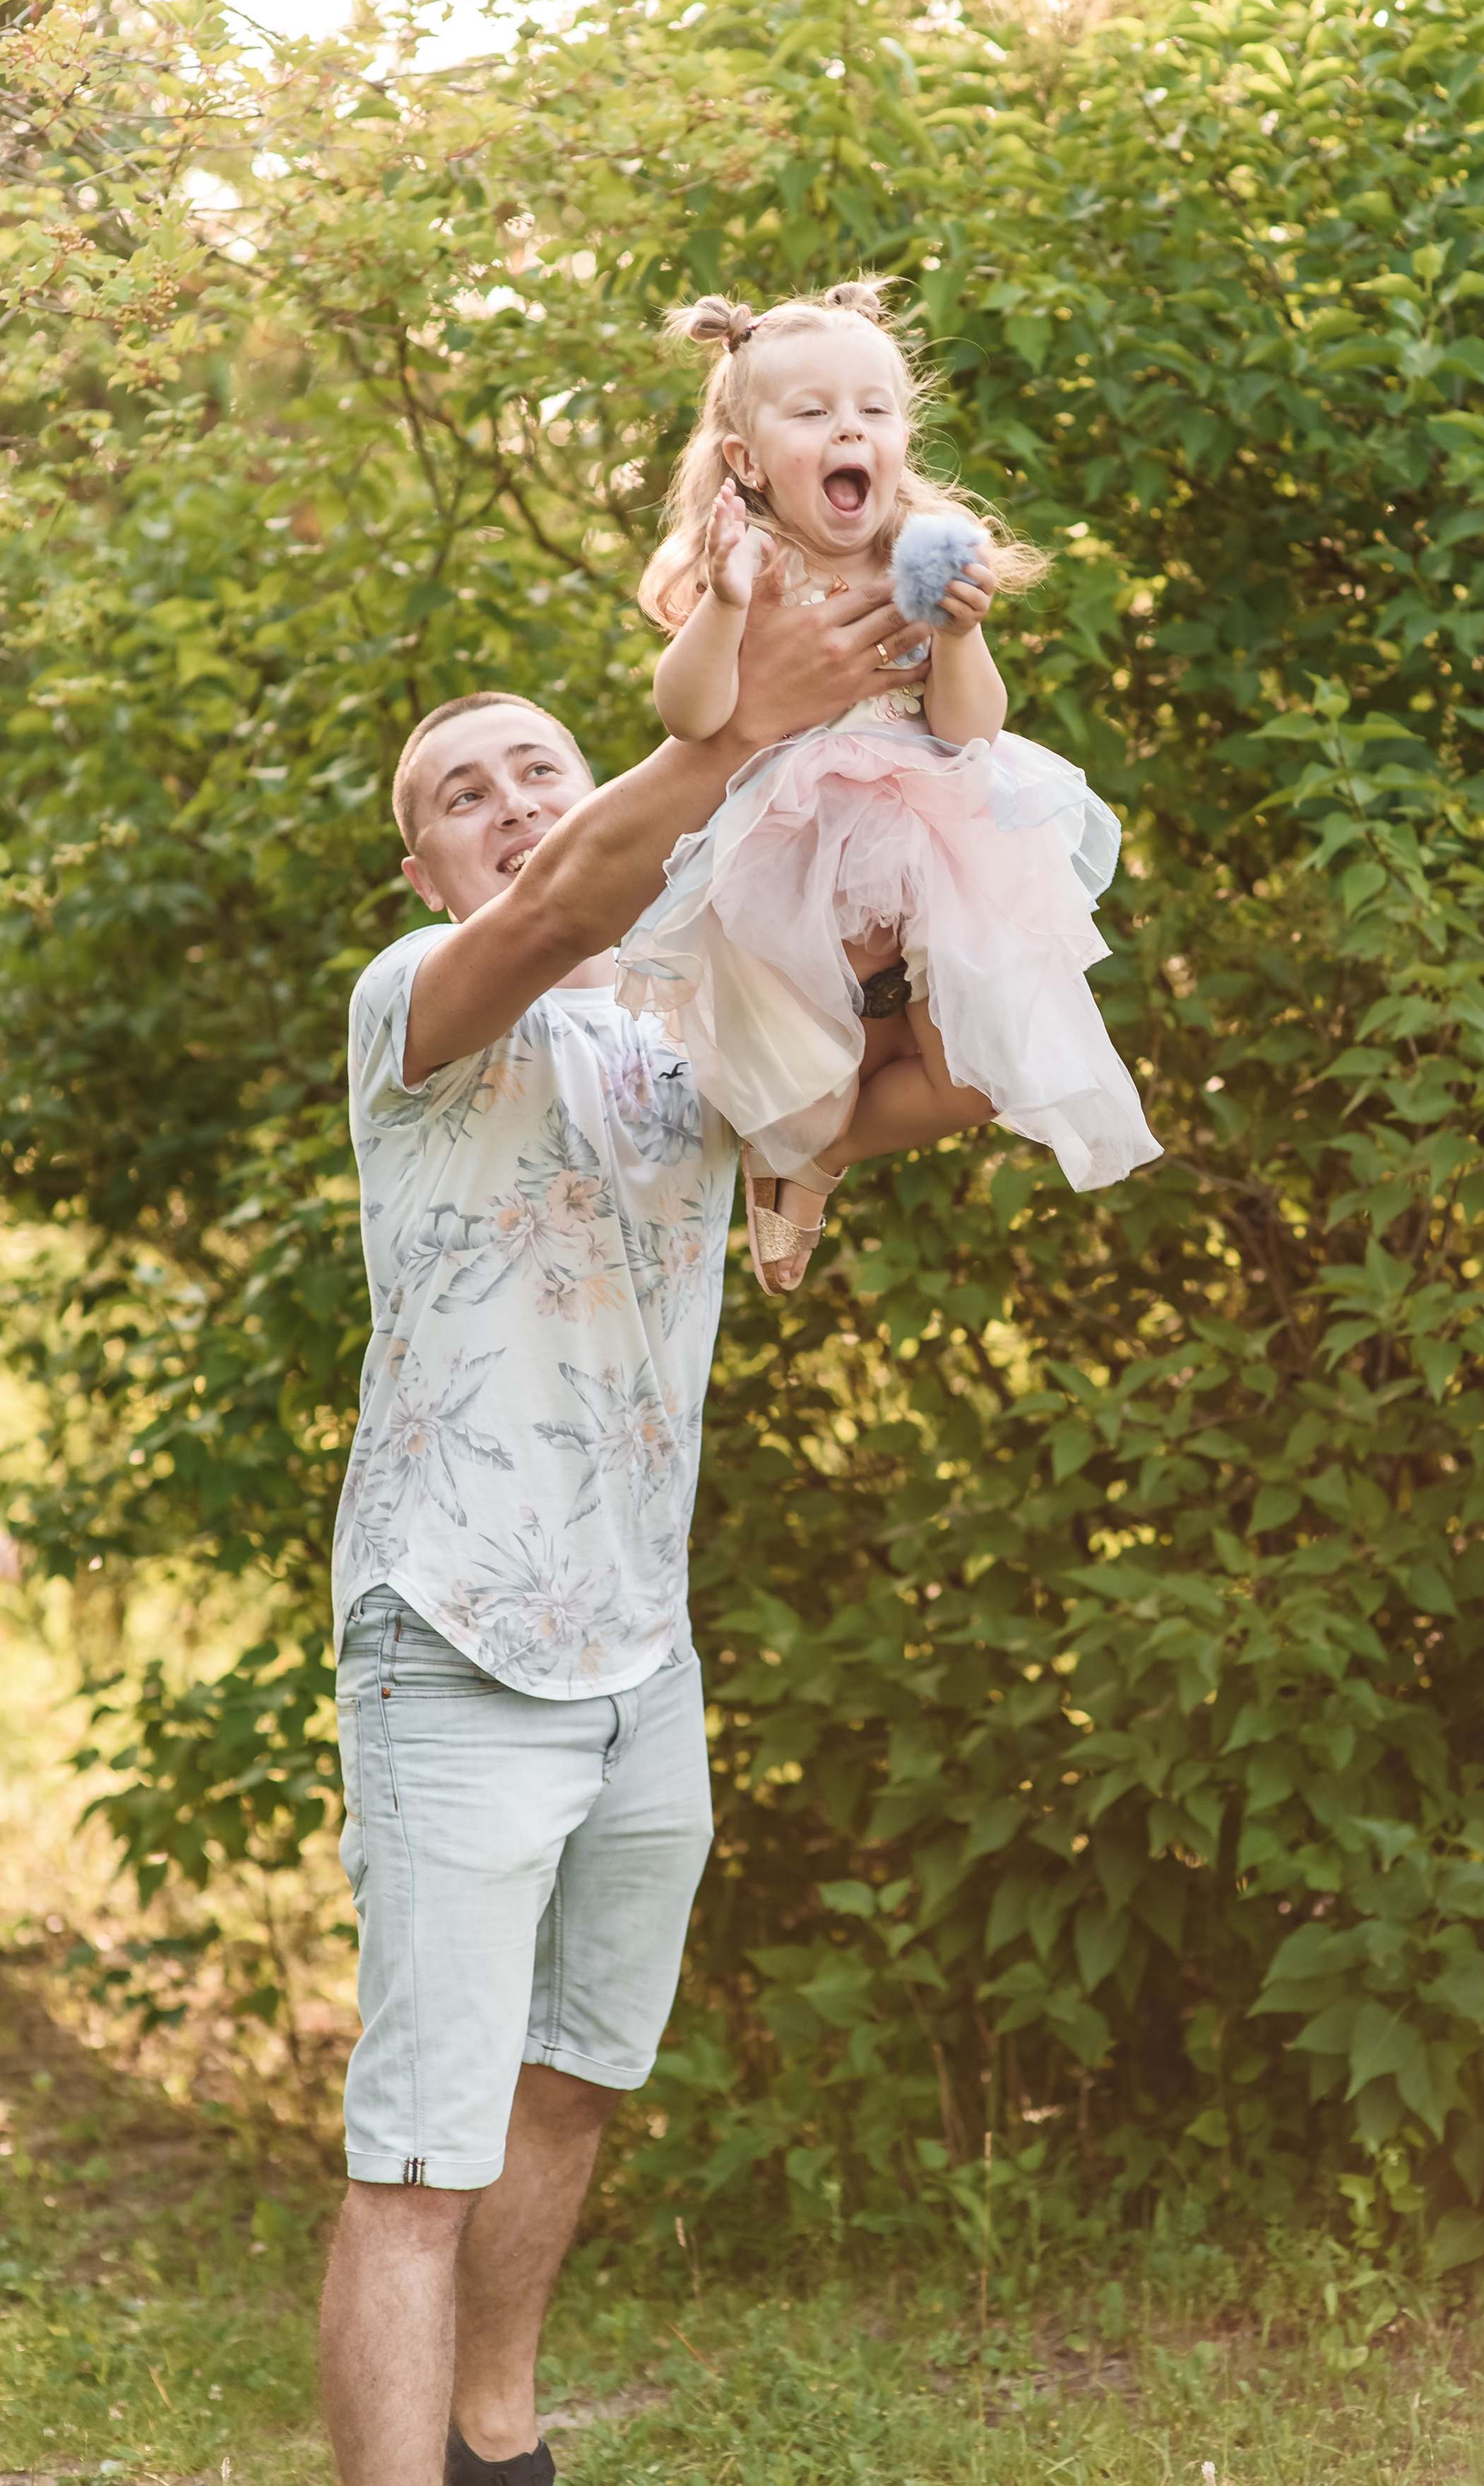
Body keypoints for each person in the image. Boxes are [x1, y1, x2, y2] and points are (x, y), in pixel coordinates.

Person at [317, 576, 929, 2486]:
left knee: (576, 2079)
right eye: (464, 793)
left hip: (637, 1663)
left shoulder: (689, 1056)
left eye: (537, 766)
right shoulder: (412, 1016)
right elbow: (577, 897)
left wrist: (937, 857)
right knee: (423, 2151)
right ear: (425, 872)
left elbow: (942, 1084)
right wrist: (728, 730)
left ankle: (497, 2440)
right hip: (452, 1641)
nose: (507, 800)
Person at [616, 281, 1161, 1293]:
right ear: (747, 459)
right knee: (814, 1088)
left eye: (875, 409)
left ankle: (819, 1158)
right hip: (792, 848)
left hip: (930, 835)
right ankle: (802, 1141)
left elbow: (971, 729)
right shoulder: (750, 564)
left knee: (982, 1074)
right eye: (813, 412)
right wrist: (727, 608)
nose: (849, 429)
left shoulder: (920, 555)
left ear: (902, 437)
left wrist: (962, 633)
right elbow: (689, 714)